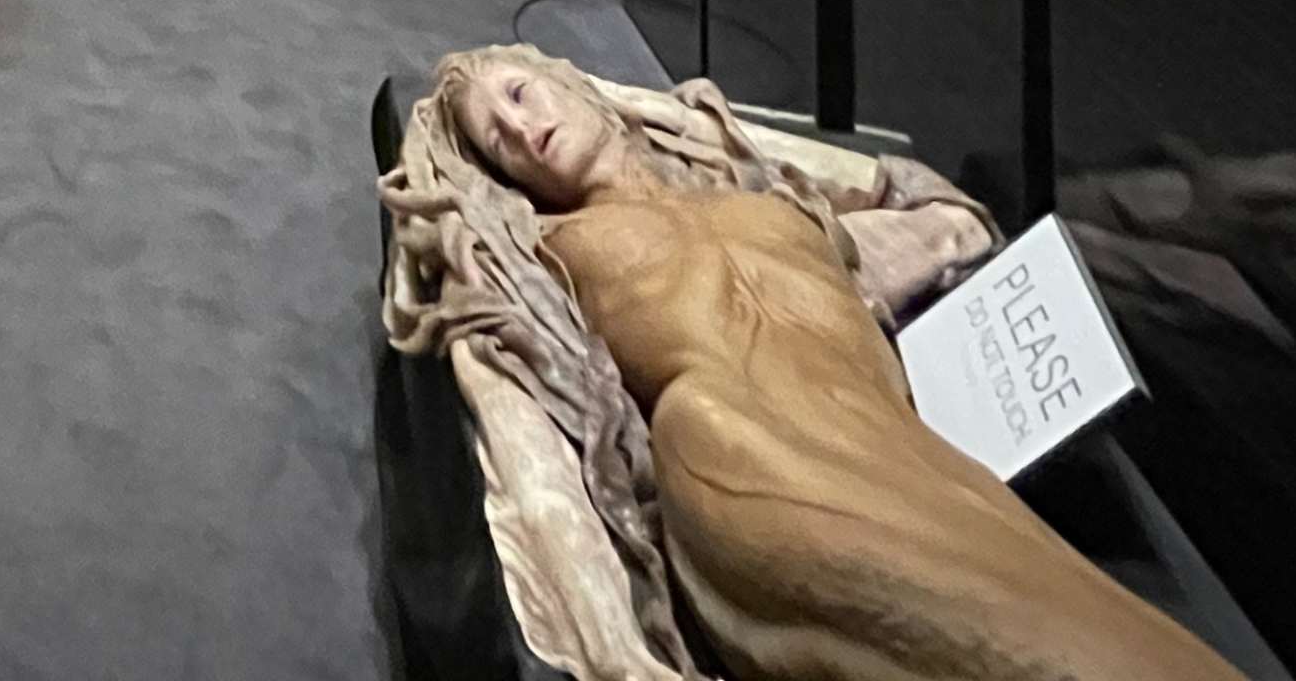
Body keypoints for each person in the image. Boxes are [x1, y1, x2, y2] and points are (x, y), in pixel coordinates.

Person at [389, 50, 1247, 681]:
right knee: (1036, 645)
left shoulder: (765, 203)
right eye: (496, 142)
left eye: (519, 94)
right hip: (740, 449)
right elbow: (510, 399)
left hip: (906, 449)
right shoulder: (545, 247)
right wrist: (601, 621)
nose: (520, 130)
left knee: (1087, 610)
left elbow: (930, 209)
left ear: (571, 80)